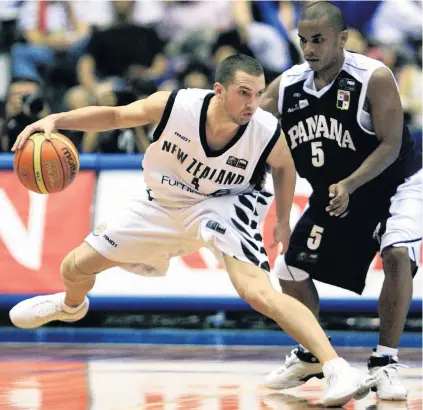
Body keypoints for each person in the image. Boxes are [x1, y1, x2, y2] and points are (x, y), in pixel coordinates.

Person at [9, 54, 375, 407]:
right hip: (162, 205)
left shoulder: (264, 129)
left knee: (257, 292)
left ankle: (337, 367)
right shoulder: (177, 106)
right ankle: (71, 307)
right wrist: (57, 120)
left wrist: (281, 218)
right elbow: (116, 115)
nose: (252, 103)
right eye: (243, 93)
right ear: (219, 90)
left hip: (224, 204)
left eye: (259, 93)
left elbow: (284, 167)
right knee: (73, 268)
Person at [260, 2, 422, 401]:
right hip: (339, 188)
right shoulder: (288, 85)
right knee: (288, 270)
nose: (309, 49)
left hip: (397, 182)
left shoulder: (373, 77)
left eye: (319, 40)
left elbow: (391, 144)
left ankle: (385, 362)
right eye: (303, 41)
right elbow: (249, 127)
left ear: (342, 39)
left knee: (398, 252)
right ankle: (315, 352)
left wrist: (350, 182)